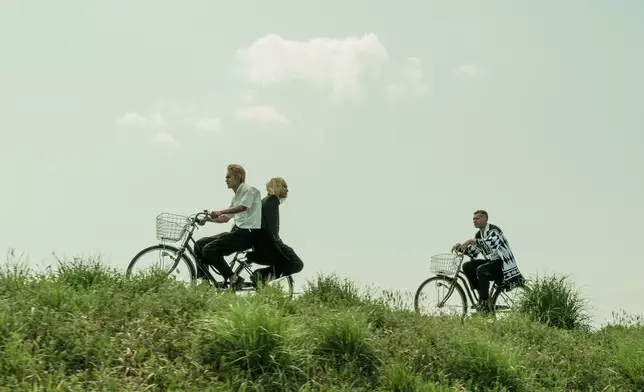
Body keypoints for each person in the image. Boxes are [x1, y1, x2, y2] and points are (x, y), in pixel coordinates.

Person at [193, 164, 262, 290]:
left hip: (248, 234)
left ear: (239, 177)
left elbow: (243, 207)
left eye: (229, 177)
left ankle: (235, 279)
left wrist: (219, 211)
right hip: (237, 232)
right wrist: (208, 219)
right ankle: (204, 282)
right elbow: (225, 218)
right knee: (199, 245)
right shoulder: (236, 197)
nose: (226, 179)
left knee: (209, 250)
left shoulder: (249, 190)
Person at [452, 210, 525, 312]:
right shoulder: (479, 235)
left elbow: (490, 243)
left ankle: (484, 301)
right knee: (467, 266)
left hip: (502, 264)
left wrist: (470, 241)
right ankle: (482, 295)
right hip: (492, 263)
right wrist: (460, 248)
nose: (474, 221)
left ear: (486, 219)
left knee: (481, 269)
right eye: (473, 219)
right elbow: (473, 252)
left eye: (477, 218)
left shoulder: (493, 230)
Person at [249, 177, 304, 286]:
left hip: (262, 243)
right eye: (284, 186)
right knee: (297, 264)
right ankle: (261, 275)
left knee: (290, 261)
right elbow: (270, 230)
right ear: (276, 187)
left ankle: (262, 276)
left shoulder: (267, 201)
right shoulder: (271, 201)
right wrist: (277, 247)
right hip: (269, 244)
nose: (287, 190)